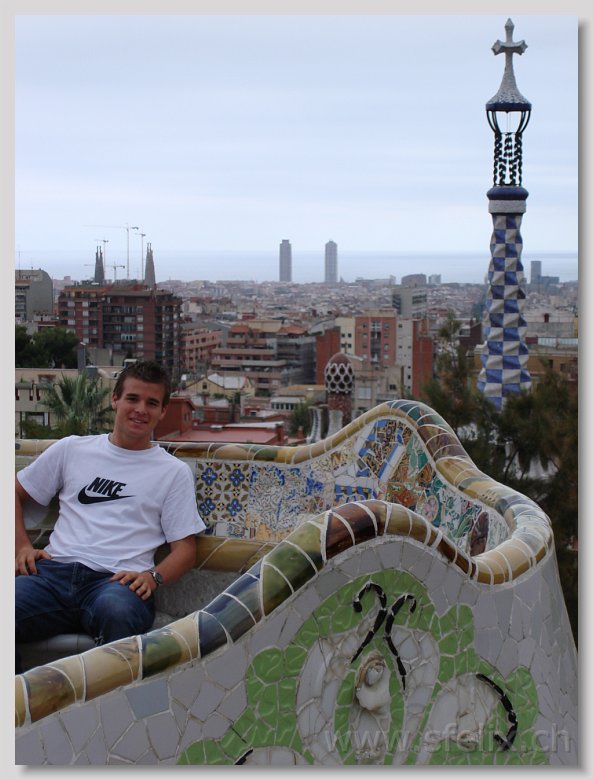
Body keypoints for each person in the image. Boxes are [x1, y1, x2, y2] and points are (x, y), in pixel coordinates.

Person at [15, 360, 206, 673]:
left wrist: (153, 577)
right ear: (115, 399)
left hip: (117, 583)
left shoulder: (172, 473)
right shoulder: (72, 449)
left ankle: (106, 706)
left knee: (118, 615)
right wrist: (21, 547)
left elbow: (185, 550)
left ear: (162, 411)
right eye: (132, 398)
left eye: (151, 403)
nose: (140, 410)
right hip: (53, 574)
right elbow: (13, 492)